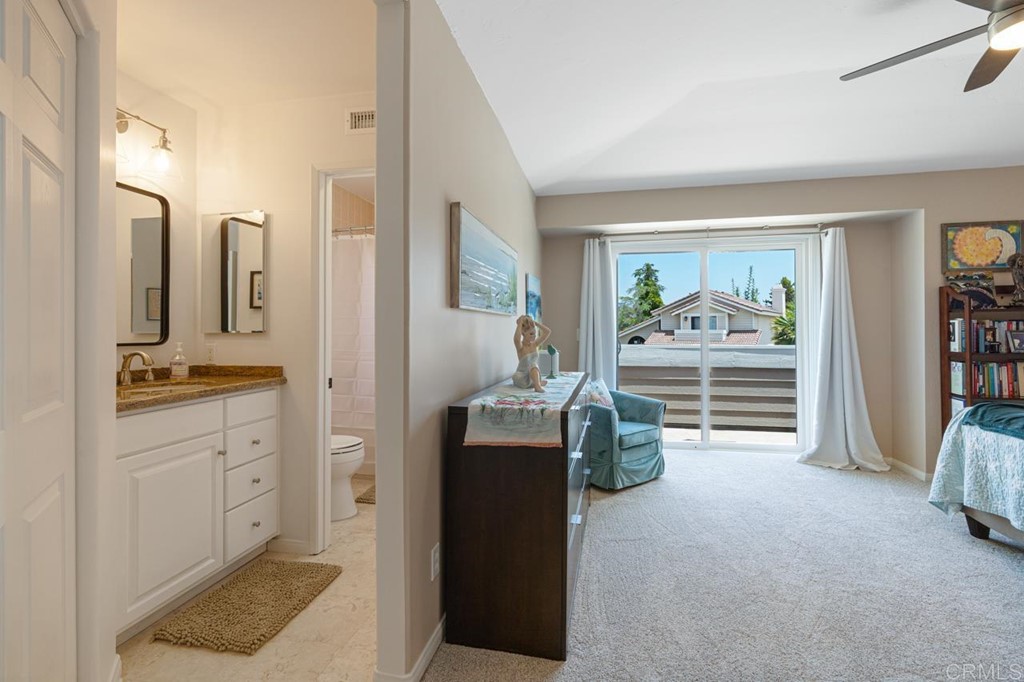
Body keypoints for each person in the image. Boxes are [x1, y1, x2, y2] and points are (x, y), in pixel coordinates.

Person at [512, 315, 551, 392]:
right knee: (533, 365)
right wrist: (520, 323)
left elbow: (548, 332)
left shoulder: (535, 344)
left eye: (535, 334)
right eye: (531, 334)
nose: (534, 336)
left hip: (532, 375)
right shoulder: (521, 347)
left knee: (534, 366)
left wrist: (535, 323)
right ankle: (537, 386)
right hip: (522, 377)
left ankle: (537, 383)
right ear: (523, 333)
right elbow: (516, 339)